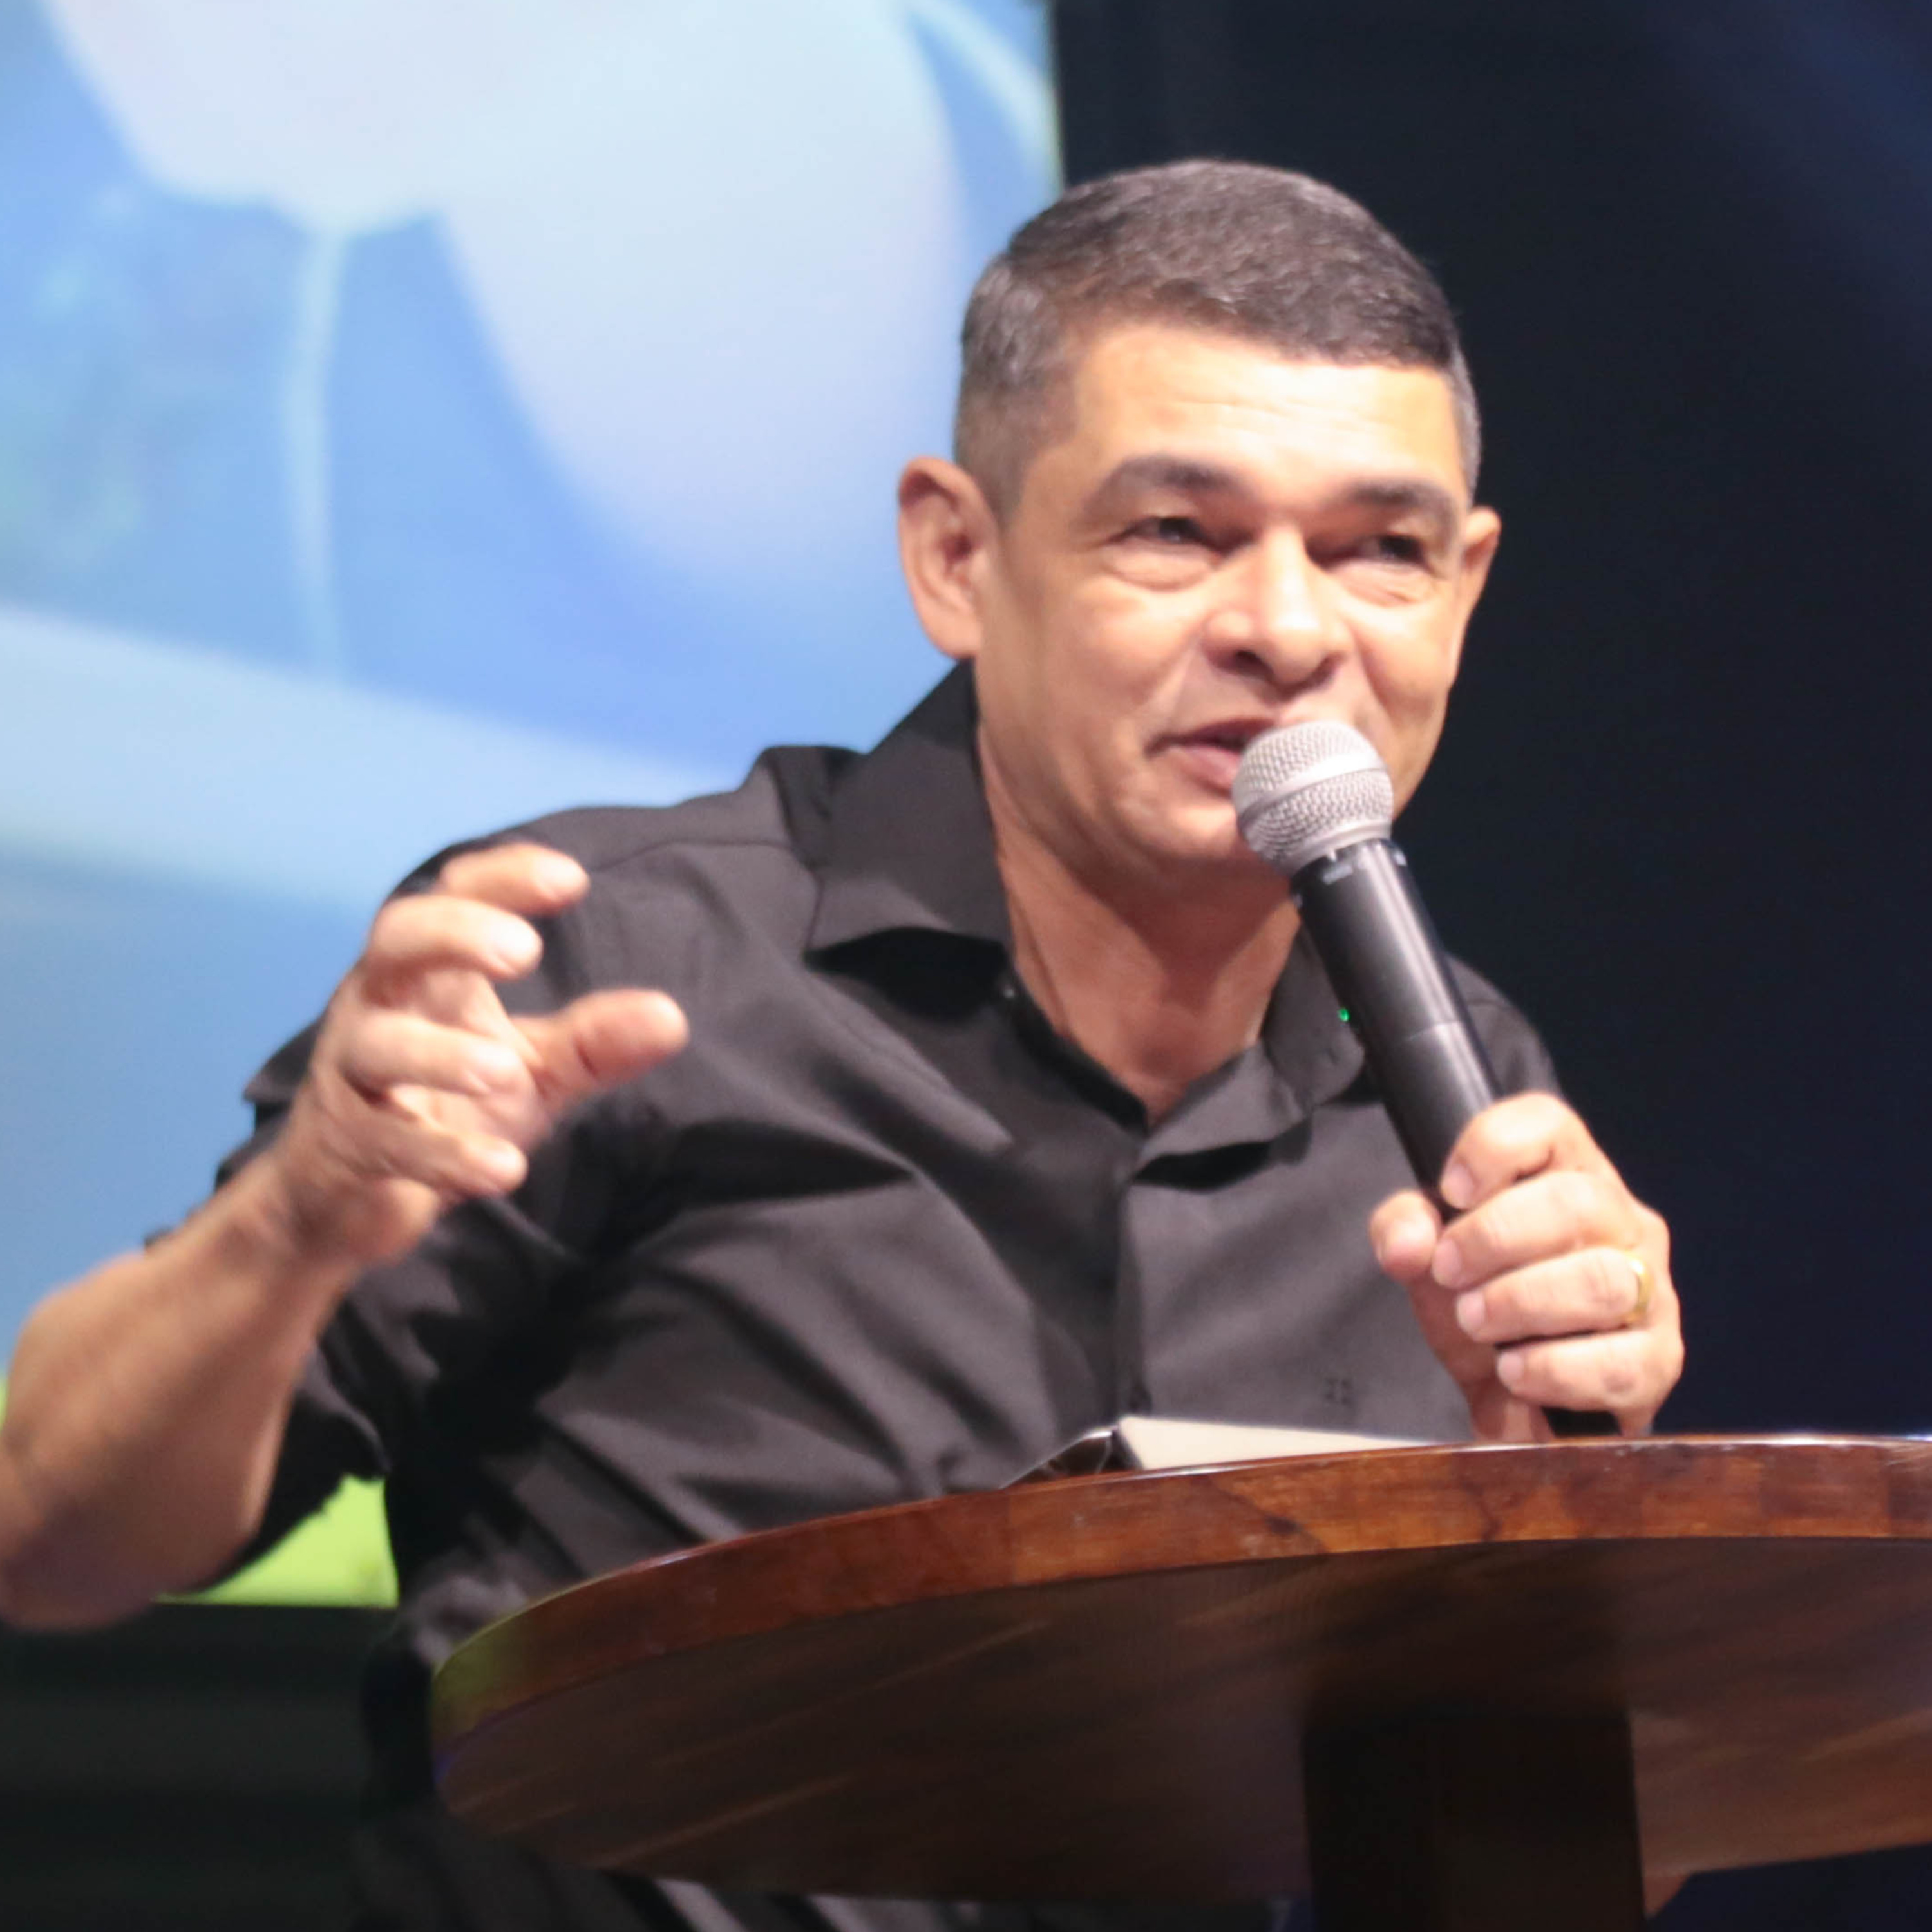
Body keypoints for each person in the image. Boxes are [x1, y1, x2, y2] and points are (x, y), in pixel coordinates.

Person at [0, 161, 1682, 1929]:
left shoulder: (1459, 1089)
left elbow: (1560, 1874)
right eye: (1176, 532)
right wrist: (291, 1225)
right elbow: (49, 1537)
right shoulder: (618, 963)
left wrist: (1576, 1523)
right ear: (957, 557)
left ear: (1466, 587)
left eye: (1379, 551)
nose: (1288, 629)